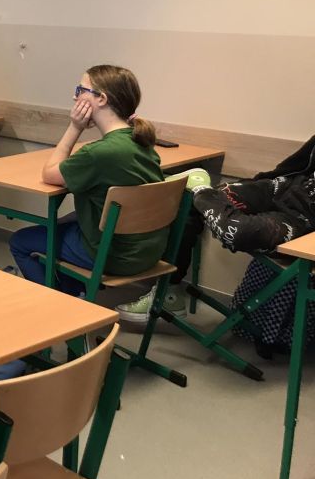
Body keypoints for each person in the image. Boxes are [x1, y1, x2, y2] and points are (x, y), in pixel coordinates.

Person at [118, 138, 315, 352]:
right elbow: (294, 165)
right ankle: (169, 292)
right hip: (282, 188)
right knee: (188, 199)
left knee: (237, 231)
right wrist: (250, 188)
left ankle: (201, 189)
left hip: (304, 220)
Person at [10, 65, 166, 293]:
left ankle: (60, 302)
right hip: (147, 251)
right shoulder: (143, 143)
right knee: (65, 225)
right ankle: (75, 293)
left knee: (20, 242)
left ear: (101, 99)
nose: (74, 97)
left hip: (111, 255)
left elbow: (49, 173)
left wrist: (75, 127)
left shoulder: (98, 153)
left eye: (80, 90)